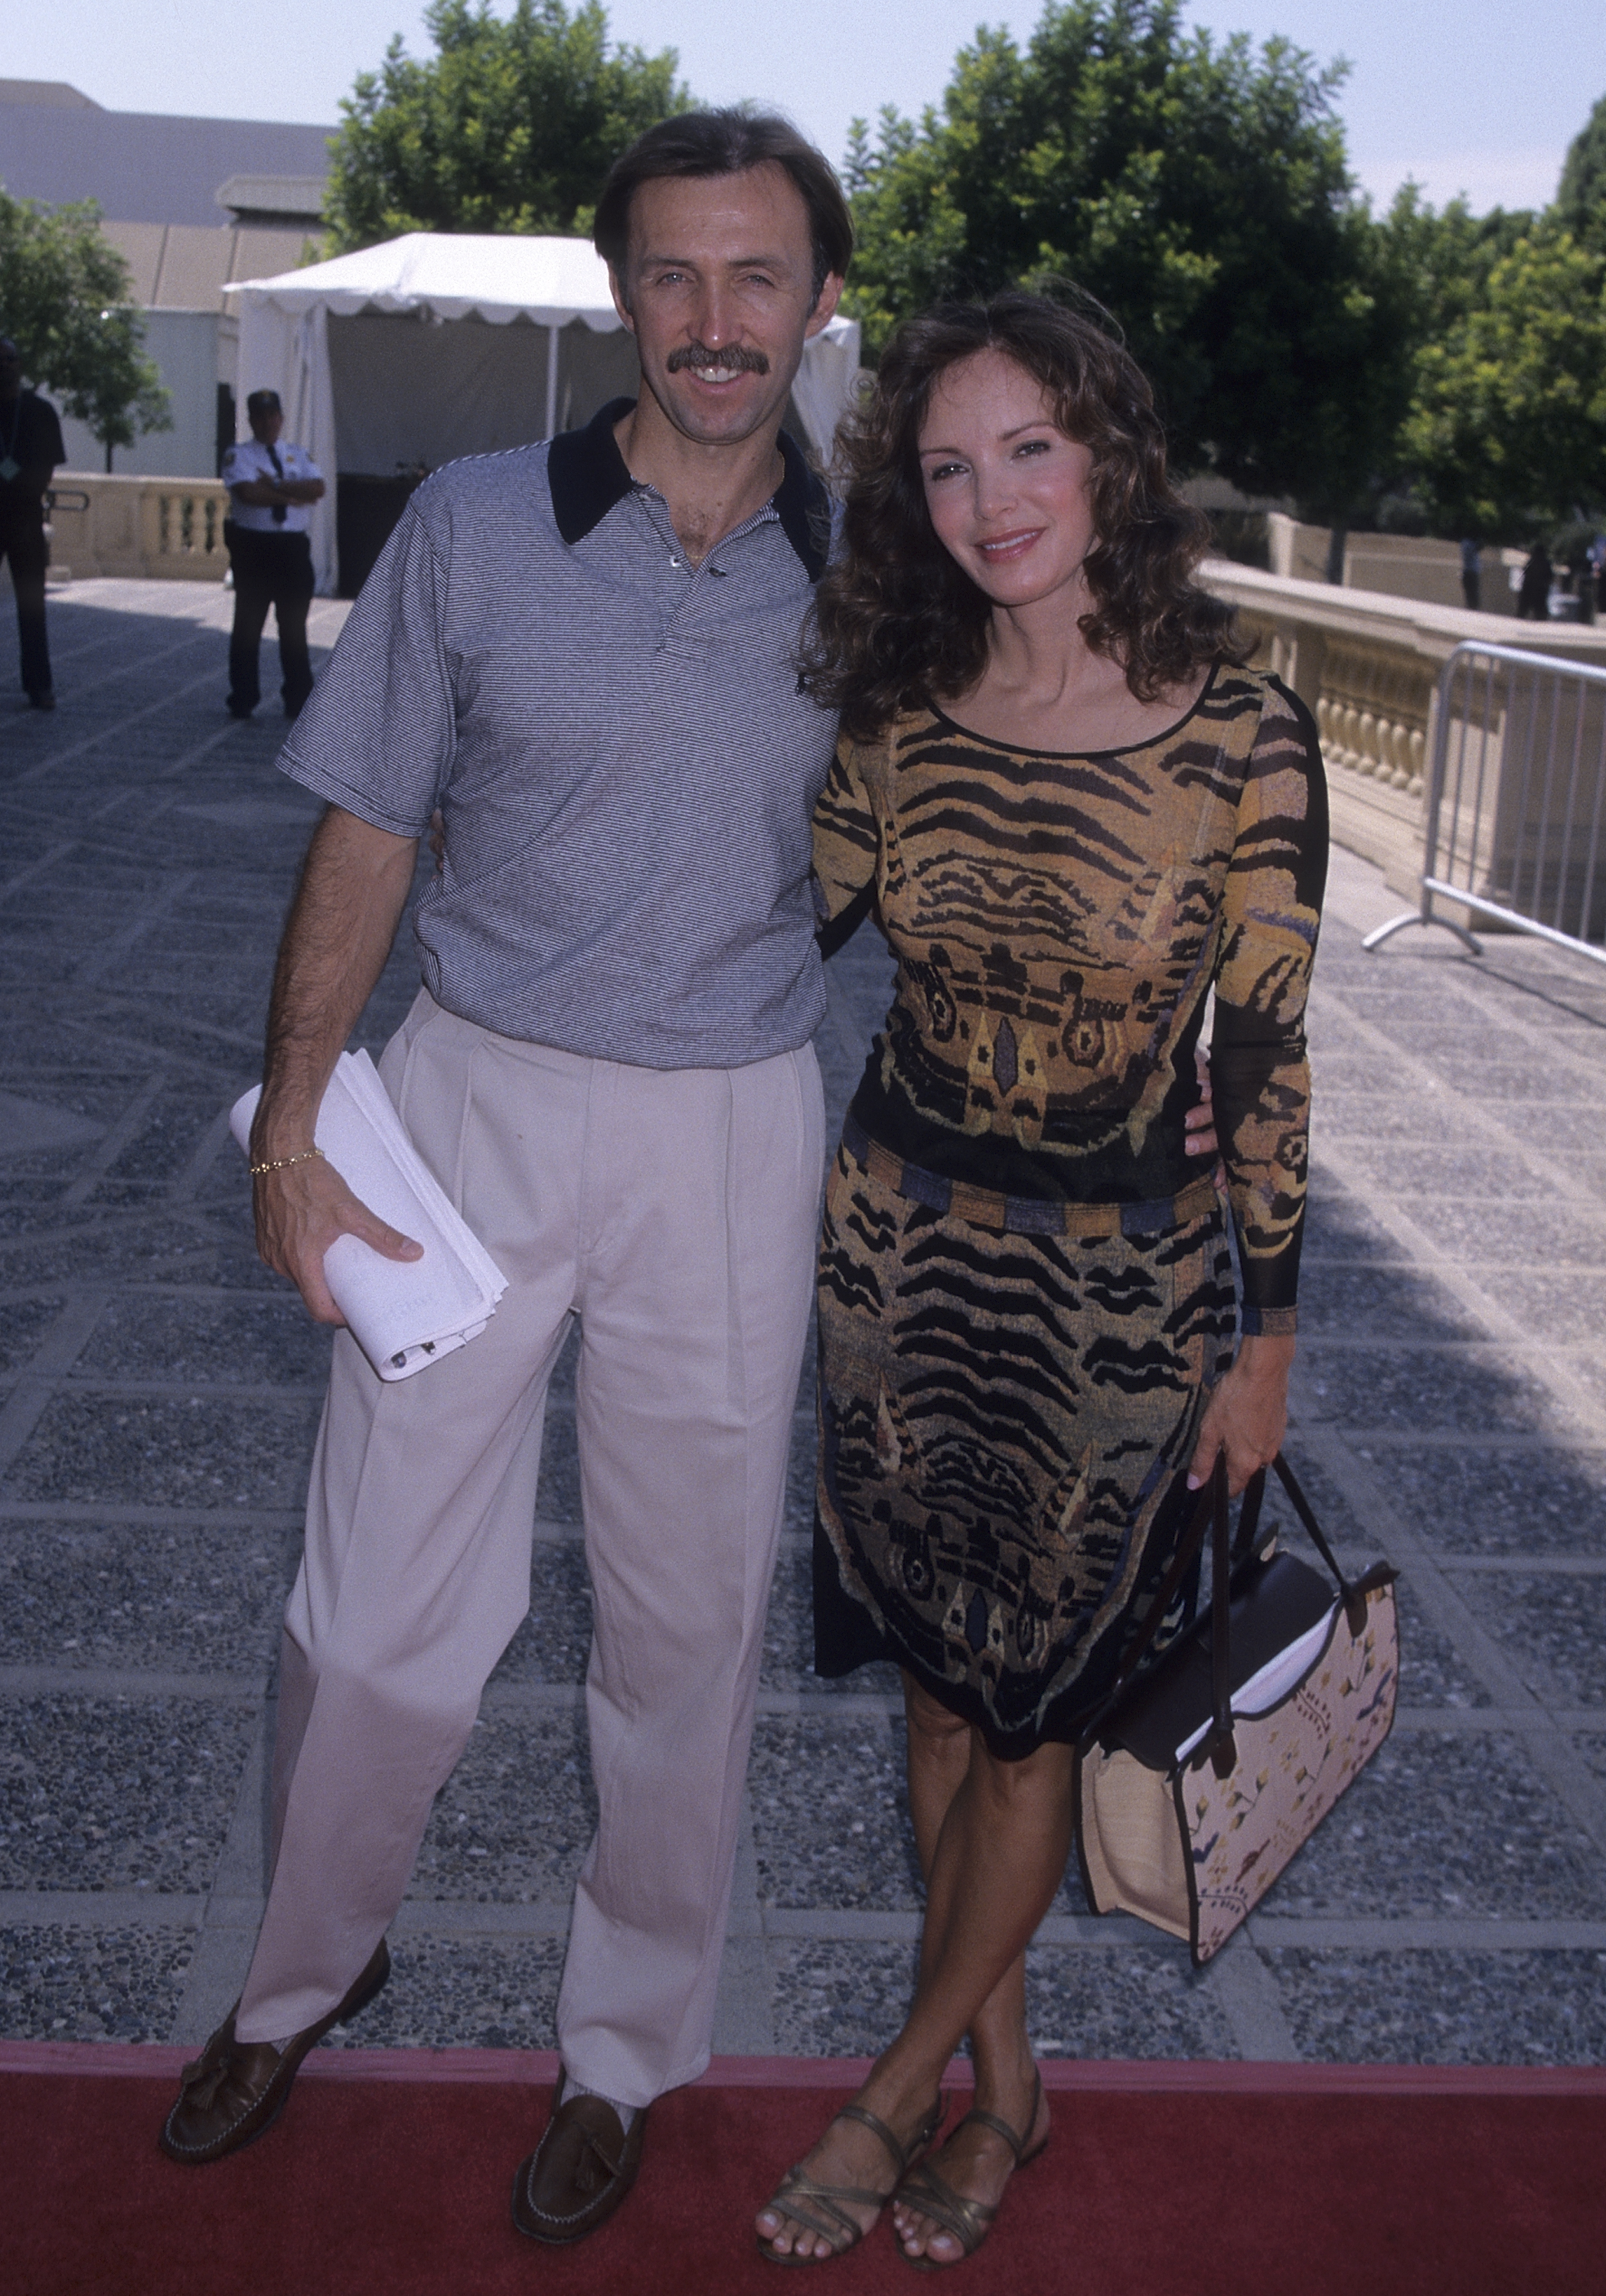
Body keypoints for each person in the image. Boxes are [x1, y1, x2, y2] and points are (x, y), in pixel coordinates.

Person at [158, 111, 853, 2245]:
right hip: (460, 1101)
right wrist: (293, 1115)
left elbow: (976, 844)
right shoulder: (467, 524)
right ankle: (307, 1966)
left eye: (757, 277)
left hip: (729, 1130)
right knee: (372, 1619)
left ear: (817, 301)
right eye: (673, 275)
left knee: (683, 1631)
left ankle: (625, 2048)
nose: (715, 322)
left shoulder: (882, 583)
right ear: (618, 294)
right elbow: (364, 825)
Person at [755, 292, 1327, 2269]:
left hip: (1112, 1309)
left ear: (1105, 455)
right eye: (940, 464)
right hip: (890, 1264)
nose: (988, 499)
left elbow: (1256, 1050)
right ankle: (1007, 2096)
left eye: (1026, 449)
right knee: (931, 1707)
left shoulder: (1242, 723)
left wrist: (1262, 1328)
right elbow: (766, 929)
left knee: (1028, 1728)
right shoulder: (891, 715)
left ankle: (887, 2093)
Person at [221, 389, 325, 719]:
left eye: (272, 416)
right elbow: (248, 494)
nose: (267, 423)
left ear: (281, 418)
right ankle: (243, 696)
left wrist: (277, 486)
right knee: (248, 627)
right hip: (255, 547)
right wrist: (292, 496)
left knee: (294, 627)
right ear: (251, 420)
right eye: (260, 417)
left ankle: (298, 698)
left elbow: (317, 489)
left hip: (292, 548)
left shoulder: (297, 454)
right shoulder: (239, 456)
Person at [0, 336, 65, 709]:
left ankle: (39, 685)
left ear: (19, 365)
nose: (4, 366)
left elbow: (47, 468)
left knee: (32, 607)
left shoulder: (39, 411)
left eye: (10, 359)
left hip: (25, 517)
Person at [1517, 540, 1552, 621]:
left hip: (1529, 589)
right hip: (1540, 590)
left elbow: (1525, 572)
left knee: (1523, 609)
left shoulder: (1532, 561)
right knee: (1540, 612)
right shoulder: (1546, 563)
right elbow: (1550, 577)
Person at [1459, 536, 1481, 611]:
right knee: (1472, 593)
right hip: (1471, 572)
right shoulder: (1468, 544)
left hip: (1469, 571)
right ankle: (1472, 608)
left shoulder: (1465, 543)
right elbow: (1478, 547)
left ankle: (1471, 608)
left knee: (1471, 593)